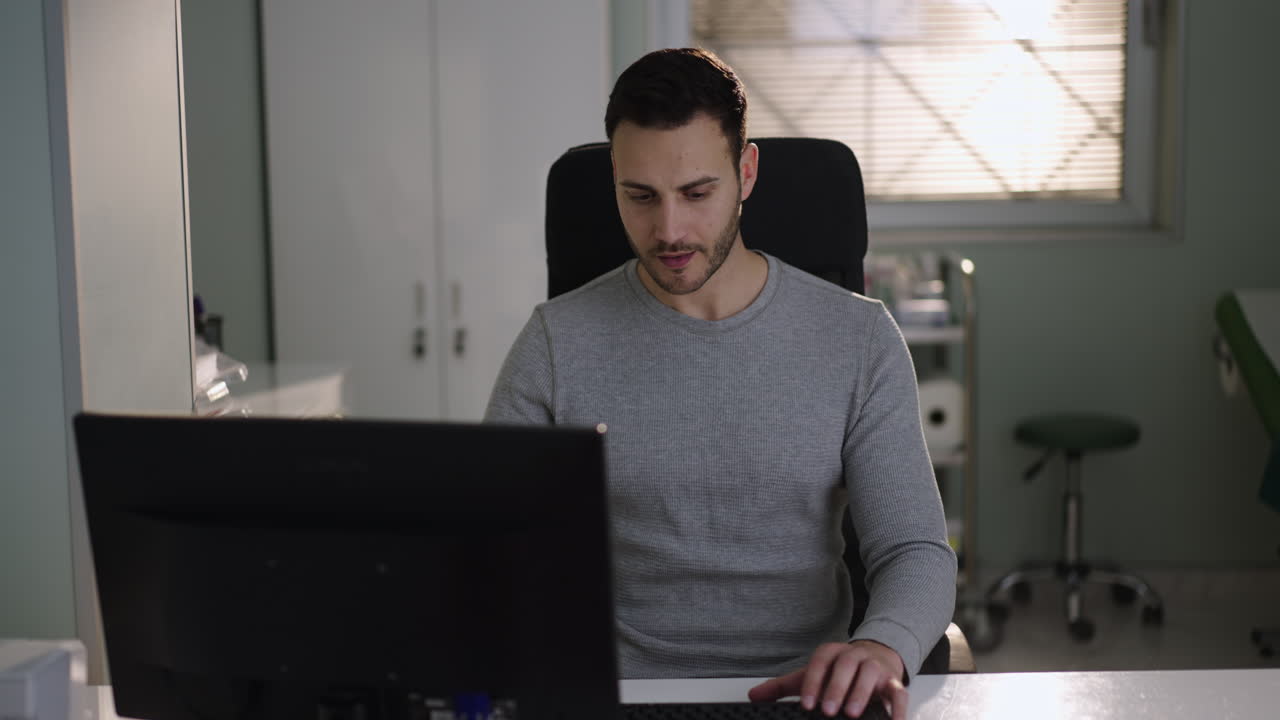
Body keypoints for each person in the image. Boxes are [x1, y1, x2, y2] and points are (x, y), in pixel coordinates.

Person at [485, 48, 955, 720]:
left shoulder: (857, 339)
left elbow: (914, 549)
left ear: (747, 172)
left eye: (697, 193)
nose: (669, 230)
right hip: (620, 695)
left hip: (810, 694)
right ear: (614, 180)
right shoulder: (556, 343)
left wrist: (883, 645)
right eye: (639, 196)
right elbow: (488, 543)